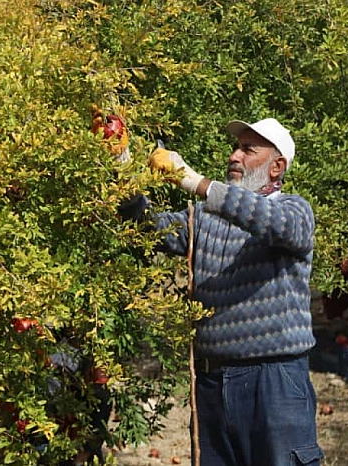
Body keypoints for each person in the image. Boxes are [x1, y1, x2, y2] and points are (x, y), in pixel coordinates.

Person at [119, 118, 324, 466]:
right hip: (212, 381)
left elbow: (271, 223)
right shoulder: (204, 218)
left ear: (277, 167)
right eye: (235, 148)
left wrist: (197, 183)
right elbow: (150, 225)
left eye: (248, 150)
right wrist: (121, 165)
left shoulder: (294, 211)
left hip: (273, 381)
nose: (234, 157)